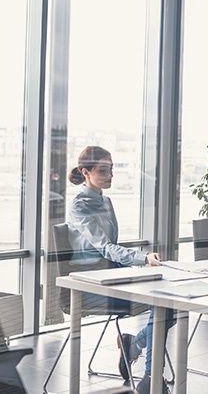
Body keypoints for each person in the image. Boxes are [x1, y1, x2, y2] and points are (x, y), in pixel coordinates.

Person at [67, 146, 171, 392]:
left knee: (170, 301)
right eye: (103, 170)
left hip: (112, 275)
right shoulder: (79, 206)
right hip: (91, 284)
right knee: (163, 304)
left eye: (111, 169)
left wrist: (140, 261)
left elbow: (111, 248)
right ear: (86, 172)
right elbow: (105, 247)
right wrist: (142, 258)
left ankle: (134, 344)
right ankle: (150, 378)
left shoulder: (106, 201)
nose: (110, 175)